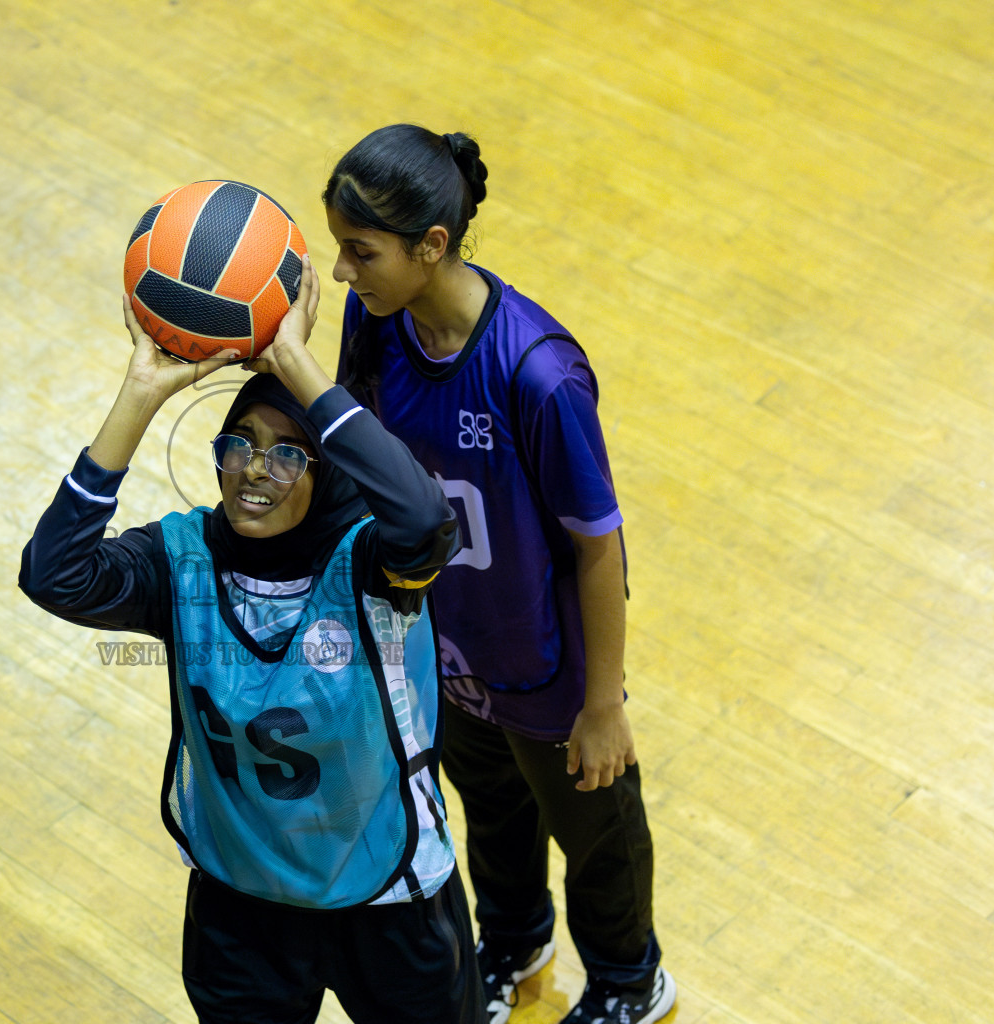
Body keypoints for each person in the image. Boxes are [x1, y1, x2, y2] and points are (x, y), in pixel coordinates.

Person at [19, 257, 482, 1024]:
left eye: (289, 452)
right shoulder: (180, 559)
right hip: (241, 906)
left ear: (328, 468)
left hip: (388, 891)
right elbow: (54, 575)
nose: (253, 471)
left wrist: (298, 364)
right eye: (239, 444)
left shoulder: (371, 564)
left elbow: (425, 522)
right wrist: (140, 393)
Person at [323, 124, 676, 1024]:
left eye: (359, 252)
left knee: (596, 839)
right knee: (490, 811)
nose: (342, 275)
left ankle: (633, 981)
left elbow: (598, 546)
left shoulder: (539, 375)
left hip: (549, 671)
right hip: (445, 648)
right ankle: (516, 939)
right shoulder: (376, 323)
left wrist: (603, 706)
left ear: (431, 245)